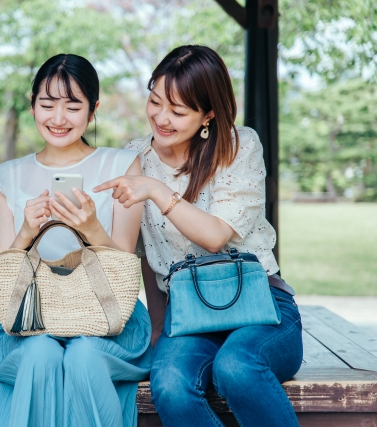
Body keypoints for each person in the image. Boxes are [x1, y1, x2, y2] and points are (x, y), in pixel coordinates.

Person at [94, 45, 303, 427]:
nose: (161, 117)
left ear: (208, 113)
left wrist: (158, 191)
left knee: (236, 366)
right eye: (155, 101)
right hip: (188, 313)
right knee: (170, 383)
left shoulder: (239, 146)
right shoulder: (134, 157)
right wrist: (158, 330)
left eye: (178, 111)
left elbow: (215, 235)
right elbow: (143, 253)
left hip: (262, 307)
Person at [0, 53, 152, 427]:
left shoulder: (122, 165)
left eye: (73, 106)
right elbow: (4, 273)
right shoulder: (6, 176)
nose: (58, 118)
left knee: (83, 357)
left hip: (107, 321)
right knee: (41, 354)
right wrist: (27, 231)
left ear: (93, 111)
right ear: (32, 105)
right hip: (28, 323)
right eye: (47, 104)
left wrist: (90, 227)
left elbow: (123, 264)